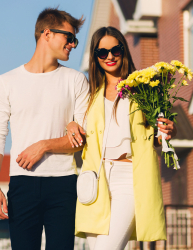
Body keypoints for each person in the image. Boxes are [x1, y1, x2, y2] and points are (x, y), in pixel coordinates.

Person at [0, 8, 88, 250]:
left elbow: (82, 138)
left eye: (75, 39)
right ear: (47, 33)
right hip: (22, 184)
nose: (73, 44)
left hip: (64, 184)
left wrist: (44, 145)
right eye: (69, 37)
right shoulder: (6, 81)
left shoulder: (76, 80)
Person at [66, 26, 177, 250]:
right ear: (95, 57)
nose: (109, 56)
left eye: (115, 50)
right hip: (96, 180)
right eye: (102, 52)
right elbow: (79, 127)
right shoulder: (90, 95)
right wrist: (70, 124)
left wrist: (165, 132)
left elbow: (154, 135)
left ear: (123, 51)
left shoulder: (143, 89)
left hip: (128, 178)